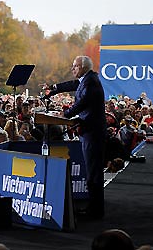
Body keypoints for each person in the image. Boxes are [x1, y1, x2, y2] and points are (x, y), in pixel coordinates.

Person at [45, 55, 106, 218]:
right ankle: (94, 208)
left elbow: (83, 102)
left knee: (93, 172)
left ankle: (95, 211)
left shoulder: (90, 82)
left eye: (75, 66)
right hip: (90, 131)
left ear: (84, 67)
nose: (73, 69)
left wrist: (65, 114)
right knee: (92, 171)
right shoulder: (87, 79)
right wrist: (53, 88)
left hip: (92, 133)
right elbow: (71, 84)